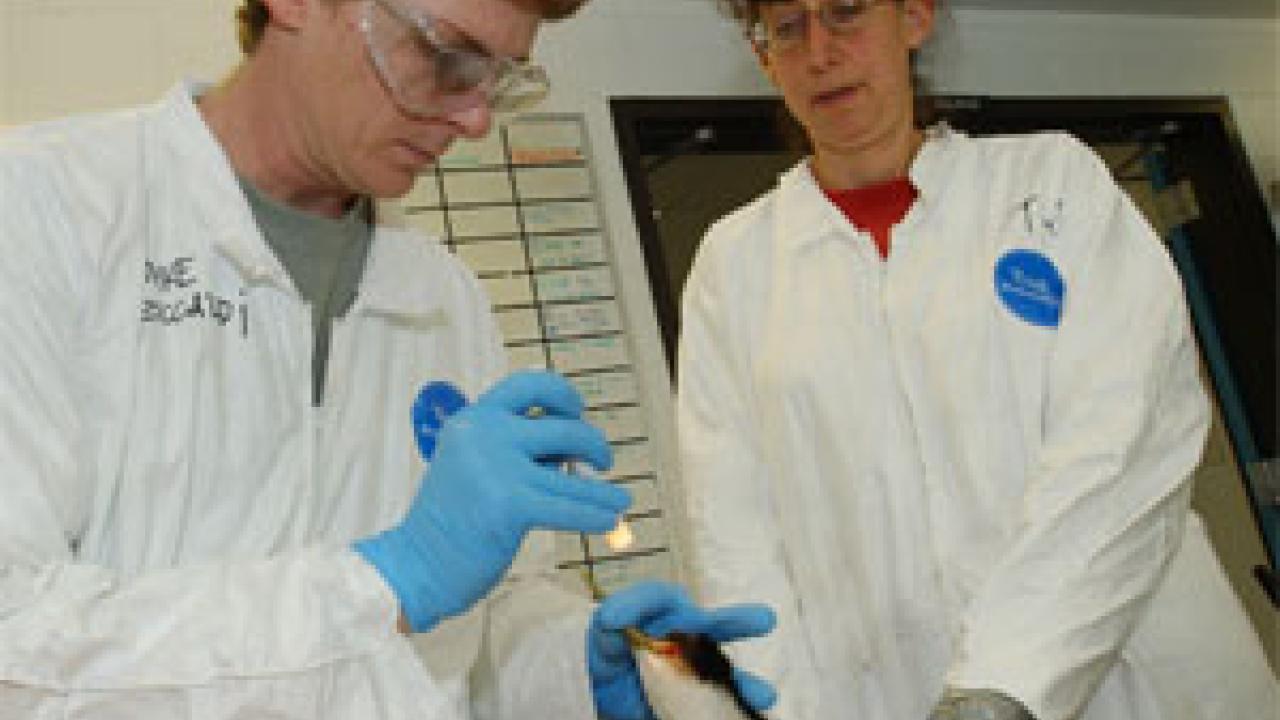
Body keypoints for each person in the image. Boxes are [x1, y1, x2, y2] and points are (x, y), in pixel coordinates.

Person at [0, 0, 778, 718]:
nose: (475, 118)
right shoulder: (41, 210)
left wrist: (581, 668)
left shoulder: (446, 294)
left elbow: (473, 623)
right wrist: (384, 582)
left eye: (500, 79)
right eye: (443, 52)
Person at [677, 1, 1278, 719]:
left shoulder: (1052, 184)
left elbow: (1122, 443)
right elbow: (733, 535)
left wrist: (1003, 685)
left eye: (845, 12)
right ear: (763, 56)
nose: (819, 52)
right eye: (787, 27)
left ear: (915, 19)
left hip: (1130, 684)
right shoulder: (734, 263)